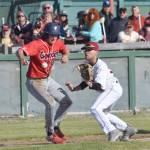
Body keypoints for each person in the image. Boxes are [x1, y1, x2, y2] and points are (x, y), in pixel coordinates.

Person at [66, 42, 136, 142]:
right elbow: (86, 83)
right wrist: (74, 88)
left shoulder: (101, 66)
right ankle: (127, 128)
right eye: (85, 49)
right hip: (111, 89)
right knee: (103, 113)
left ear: (96, 52)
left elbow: (99, 86)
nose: (86, 52)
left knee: (95, 109)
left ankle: (112, 131)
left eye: (89, 49)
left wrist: (87, 81)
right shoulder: (89, 65)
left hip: (111, 89)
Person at [17, 22, 72, 144]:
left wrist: (66, 56)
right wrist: (22, 58)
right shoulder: (37, 44)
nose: (54, 37)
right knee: (51, 103)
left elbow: (65, 50)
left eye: (56, 35)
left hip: (48, 79)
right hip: (35, 81)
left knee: (67, 101)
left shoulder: (58, 42)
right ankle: (50, 134)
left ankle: (55, 125)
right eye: (51, 35)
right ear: (46, 34)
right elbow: (20, 51)